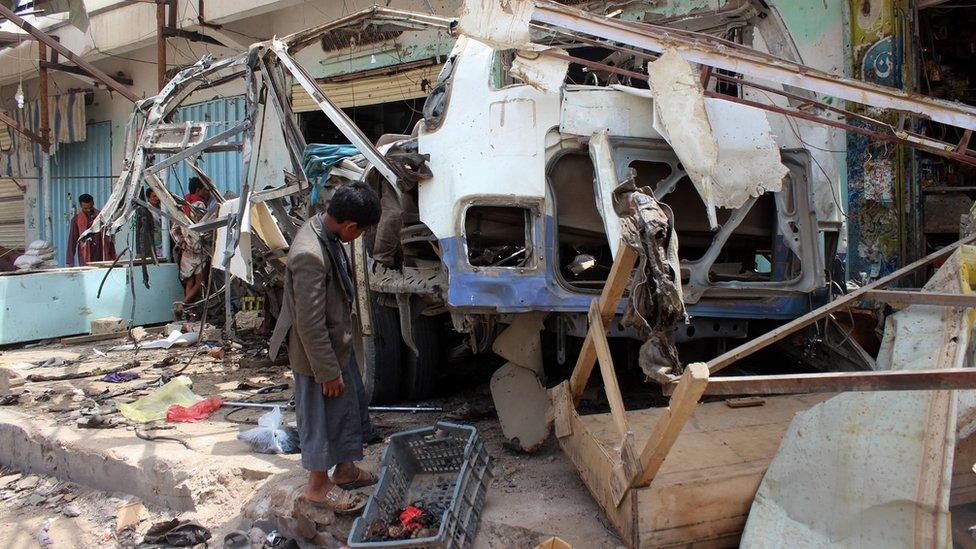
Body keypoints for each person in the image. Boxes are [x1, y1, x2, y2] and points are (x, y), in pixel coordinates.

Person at [269, 182, 382, 513]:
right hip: (316, 354)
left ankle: (345, 471)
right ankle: (318, 488)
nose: (358, 238)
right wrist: (327, 371)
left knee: (346, 409)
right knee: (319, 420)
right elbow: (308, 323)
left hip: (337, 345)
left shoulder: (326, 230)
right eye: (360, 232)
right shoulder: (309, 254)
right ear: (350, 226)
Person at [66, 194, 116, 267]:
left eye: (90, 207)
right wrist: (70, 262)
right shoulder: (76, 220)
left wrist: (113, 255)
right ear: (81, 206)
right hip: (85, 254)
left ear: (93, 203)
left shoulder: (101, 217)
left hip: (101, 252)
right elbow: (72, 241)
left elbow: (109, 237)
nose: (88, 210)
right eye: (85, 208)